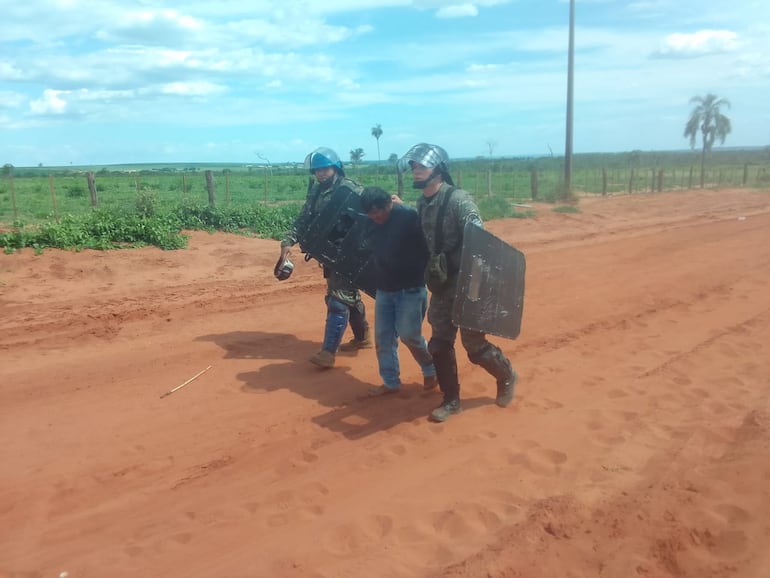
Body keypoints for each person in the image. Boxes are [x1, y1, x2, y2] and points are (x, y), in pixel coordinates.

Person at [398, 143, 518, 422]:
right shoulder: (423, 202)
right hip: (442, 284)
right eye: (414, 167)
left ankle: (506, 375)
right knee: (439, 345)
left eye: (422, 166)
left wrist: (475, 283)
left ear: (438, 170)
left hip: (469, 282)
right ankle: (451, 401)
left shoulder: (458, 200)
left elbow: (480, 238)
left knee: (474, 347)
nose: (416, 171)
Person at [277, 147, 371, 369]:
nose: (320, 173)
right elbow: (305, 218)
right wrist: (288, 241)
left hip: (354, 253)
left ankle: (328, 353)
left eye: (325, 168)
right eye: (317, 170)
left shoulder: (350, 189)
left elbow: (371, 216)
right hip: (329, 253)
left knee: (337, 299)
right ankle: (362, 337)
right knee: (348, 295)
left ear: (336, 167)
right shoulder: (317, 191)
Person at [359, 187, 437, 396]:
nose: (375, 216)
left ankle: (432, 368)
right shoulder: (370, 223)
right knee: (383, 338)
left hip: (411, 288)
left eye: (378, 211)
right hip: (385, 288)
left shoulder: (408, 217)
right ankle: (390, 382)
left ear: (389, 204)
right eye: (370, 212)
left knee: (409, 335)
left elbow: (430, 236)